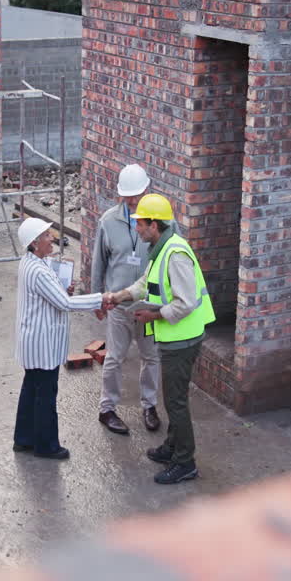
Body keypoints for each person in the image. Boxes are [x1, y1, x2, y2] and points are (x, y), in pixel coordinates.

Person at [106, 194, 215, 485]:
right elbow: (145, 283)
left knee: (176, 403)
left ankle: (185, 462)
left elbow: (186, 302)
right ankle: (172, 447)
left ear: (154, 224)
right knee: (173, 399)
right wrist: (119, 296)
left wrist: (154, 316)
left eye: (140, 223)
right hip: (174, 337)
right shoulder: (161, 248)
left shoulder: (175, 254)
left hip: (182, 339)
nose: (137, 228)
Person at [12, 217, 108, 460]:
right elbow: (65, 303)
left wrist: (62, 289)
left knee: (31, 389)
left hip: (34, 339)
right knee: (45, 394)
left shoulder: (31, 262)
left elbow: (53, 295)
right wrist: (100, 299)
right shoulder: (38, 270)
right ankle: (46, 446)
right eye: (46, 235)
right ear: (34, 243)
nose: (52, 238)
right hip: (41, 343)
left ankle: (23, 439)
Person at [90, 163, 162, 436]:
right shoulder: (108, 221)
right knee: (114, 358)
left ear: (146, 190)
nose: (132, 202)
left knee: (151, 357)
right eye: (127, 196)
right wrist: (97, 299)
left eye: (137, 196)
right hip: (118, 305)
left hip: (149, 305)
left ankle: (150, 406)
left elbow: (172, 260)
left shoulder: (161, 222)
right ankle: (107, 408)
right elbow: (99, 262)